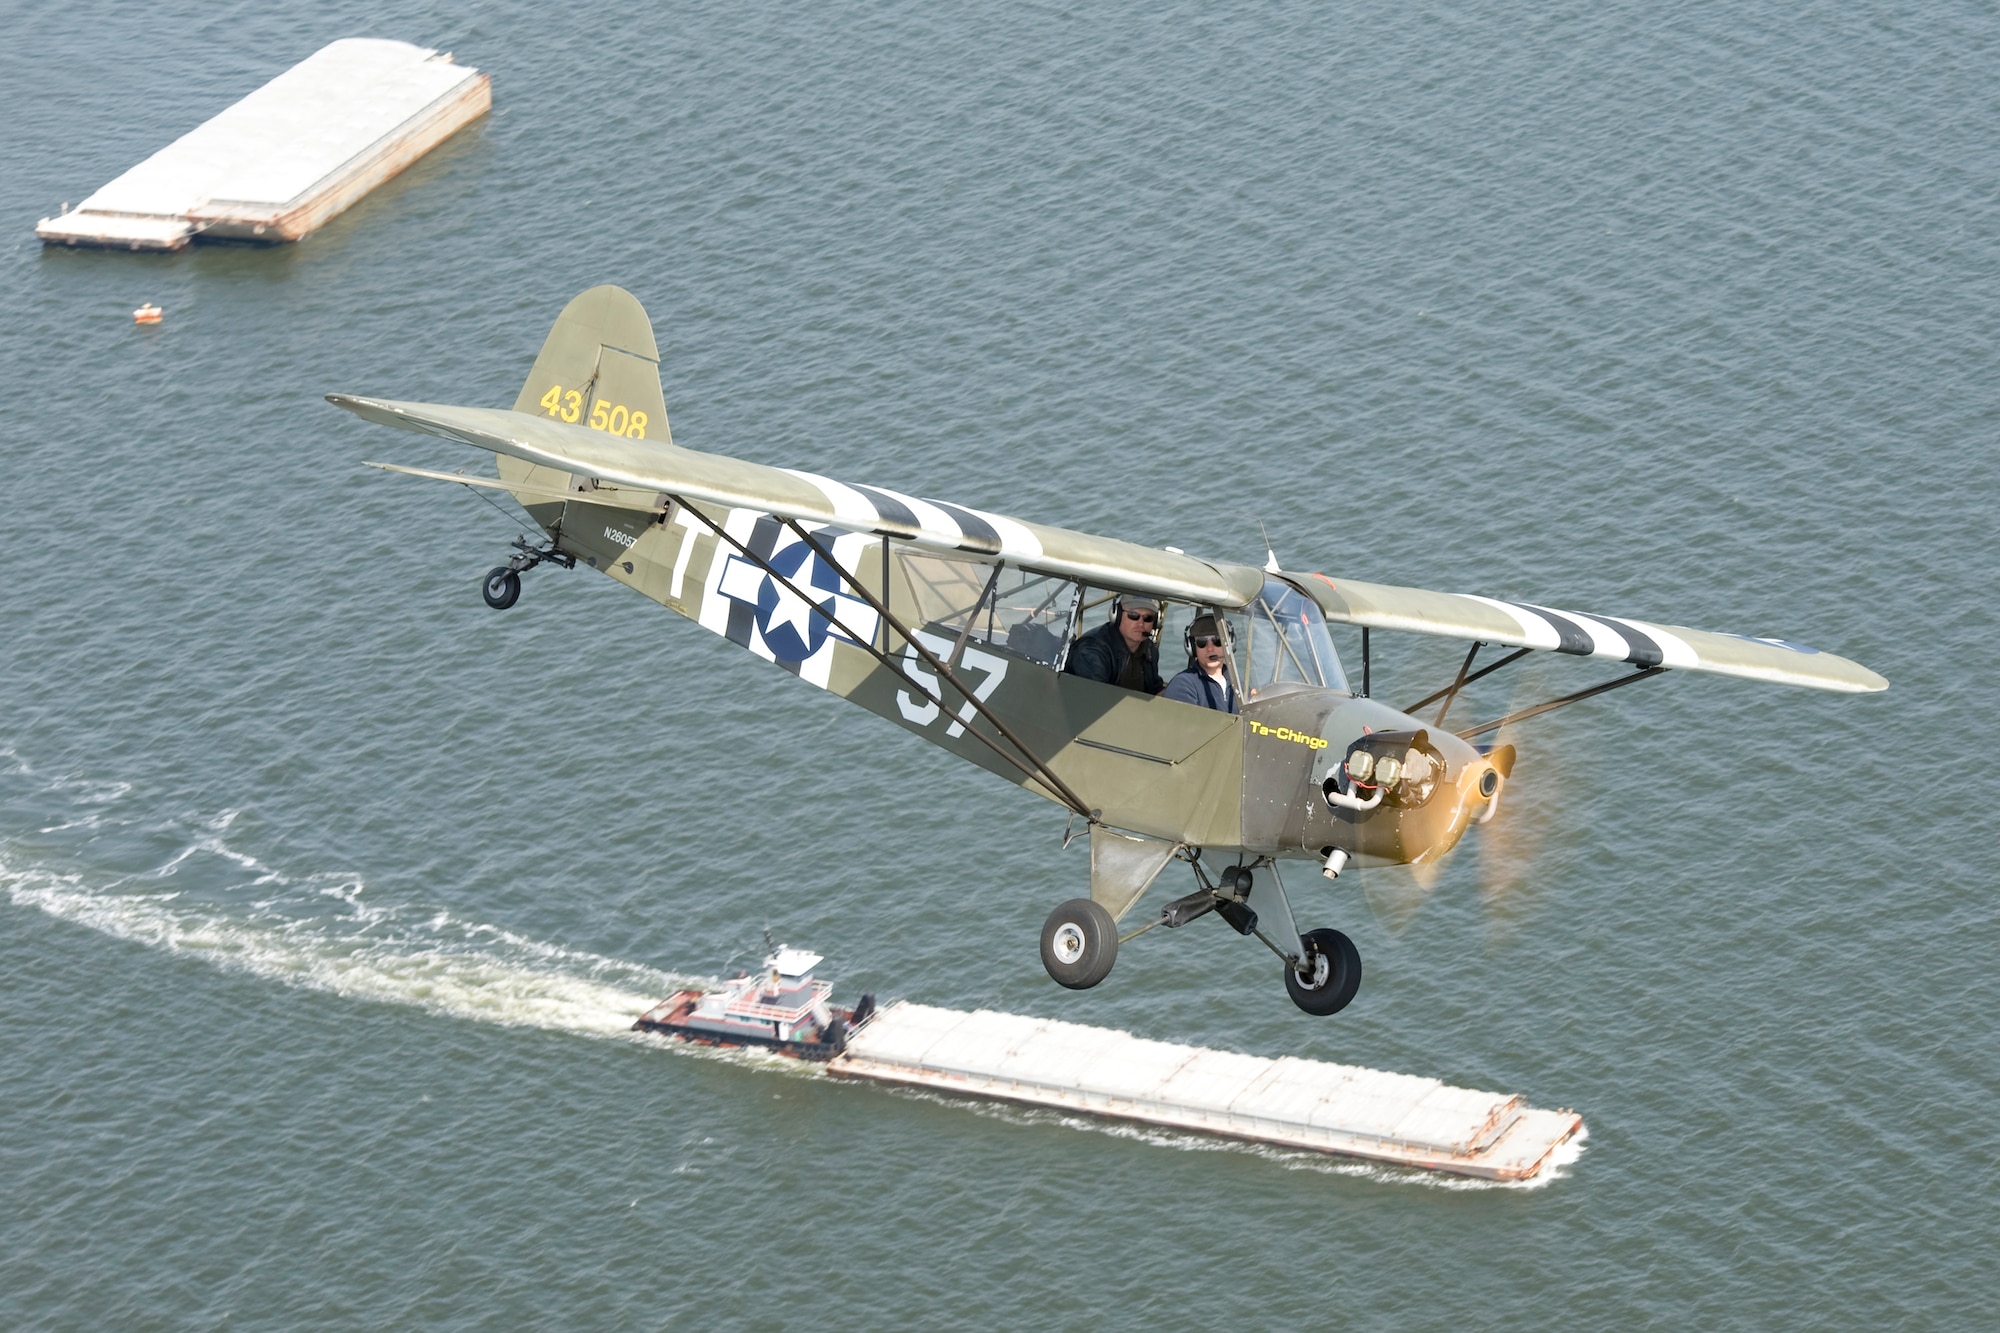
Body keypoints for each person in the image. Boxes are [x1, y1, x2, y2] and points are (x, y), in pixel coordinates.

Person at [1064, 594, 1165, 694]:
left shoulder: (1149, 649)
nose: (1140, 623)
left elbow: (1154, 689)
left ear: (1155, 622)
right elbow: (1094, 699)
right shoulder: (1092, 650)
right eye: (1133, 616)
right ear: (1117, 615)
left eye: (1148, 618)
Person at [1161, 614, 1238, 713]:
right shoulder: (1183, 684)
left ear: (1229, 643)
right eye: (1202, 642)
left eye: (1218, 641)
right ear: (1192, 647)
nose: (1210, 648)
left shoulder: (1240, 686)